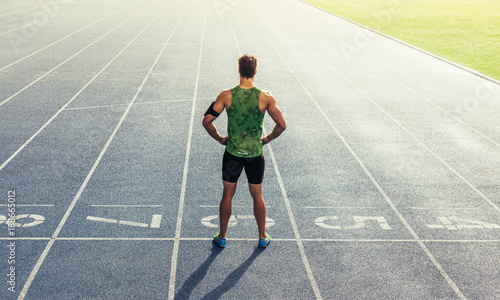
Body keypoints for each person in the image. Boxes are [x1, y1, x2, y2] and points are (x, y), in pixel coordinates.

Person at [202, 54, 286, 248]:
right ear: (255, 71)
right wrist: (268, 138)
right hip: (255, 155)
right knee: (257, 195)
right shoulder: (266, 97)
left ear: (239, 70)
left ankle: (222, 236)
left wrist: (220, 138)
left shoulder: (226, 95)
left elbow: (207, 121)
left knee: (227, 194)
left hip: (232, 154)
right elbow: (281, 125)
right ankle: (262, 237)